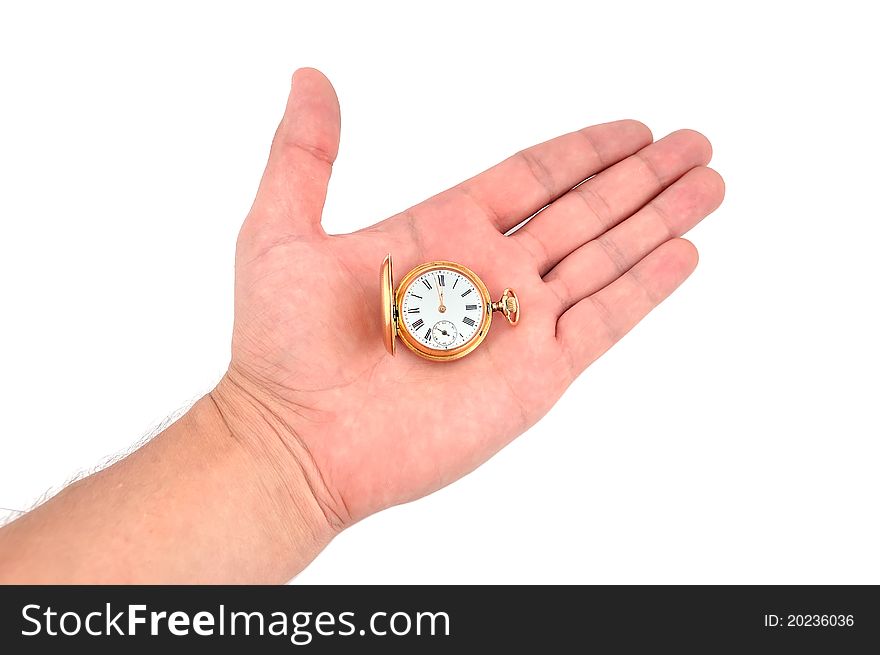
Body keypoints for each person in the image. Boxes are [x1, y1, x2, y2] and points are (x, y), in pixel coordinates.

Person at [0, 69, 724, 583]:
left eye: (449, 310)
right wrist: (272, 441)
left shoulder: (459, 314)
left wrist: (272, 455)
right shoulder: (432, 310)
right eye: (436, 307)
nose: (443, 311)